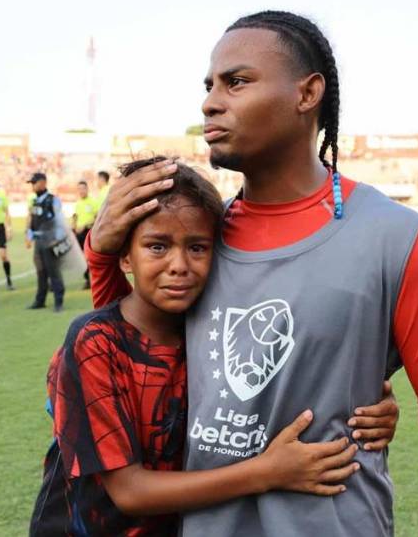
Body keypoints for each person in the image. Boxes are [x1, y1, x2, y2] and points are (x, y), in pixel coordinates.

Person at [86, 11, 418, 536]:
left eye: (237, 82)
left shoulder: (396, 238)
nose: (210, 101)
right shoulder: (199, 246)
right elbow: (126, 352)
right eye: (209, 86)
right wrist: (101, 253)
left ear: (307, 93)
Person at [31, 159, 389, 536]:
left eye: (198, 247)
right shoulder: (94, 341)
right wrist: (268, 472)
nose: (179, 265)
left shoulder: (214, 331)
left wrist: (368, 404)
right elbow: (129, 492)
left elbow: (292, 378)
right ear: (124, 256)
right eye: (157, 246)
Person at [26, 172, 66, 312]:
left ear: (42, 182)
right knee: (41, 272)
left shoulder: (53, 200)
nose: (32, 186)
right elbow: (33, 220)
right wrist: (29, 235)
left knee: (53, 271)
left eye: (34, 183)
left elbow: (60, 221)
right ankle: (40, 300)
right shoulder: (35, 201)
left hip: (50, 241)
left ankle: (58, 301)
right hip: (39, 242)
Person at [72, 180, 99, 289]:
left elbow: (98, 218)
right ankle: (87, 279)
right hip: (78, 233)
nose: (81, 191)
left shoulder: (93, 202)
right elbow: (75, 216)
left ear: (87, 189)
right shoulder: (78, 203)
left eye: (83, 188)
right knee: (80, 258)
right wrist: (73, 226)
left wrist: (86, 225)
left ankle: (90, 280)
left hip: (88, 232)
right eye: (79, 189)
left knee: (89, 257)